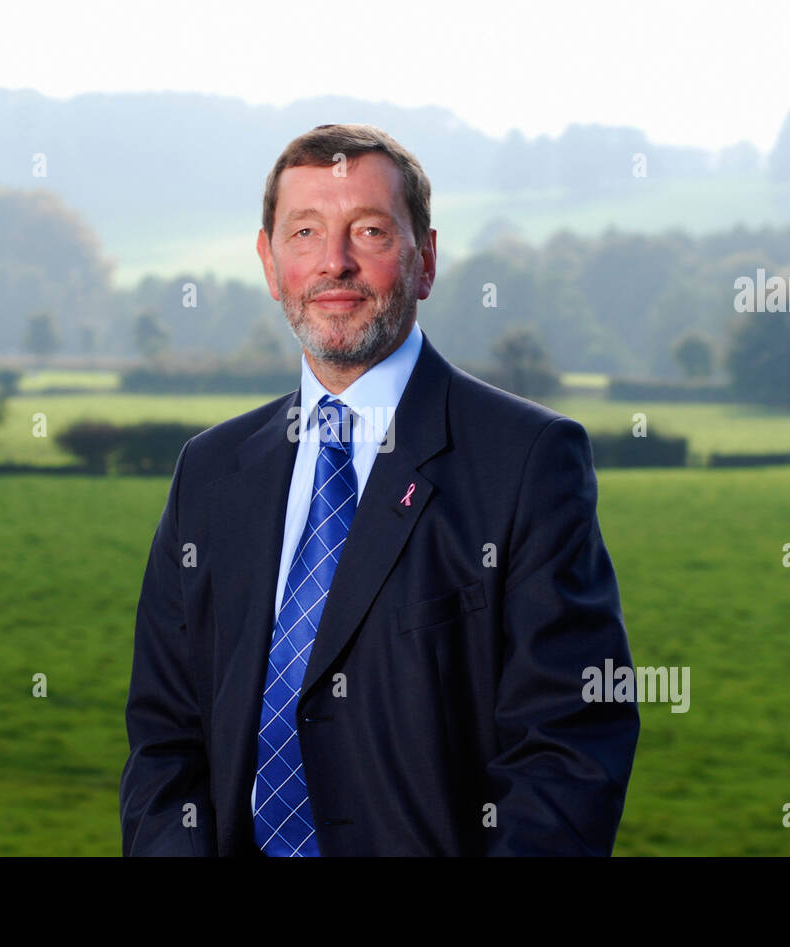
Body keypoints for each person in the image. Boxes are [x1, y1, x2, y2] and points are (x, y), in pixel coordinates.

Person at [119, 123, 638, 856]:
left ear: (424, 260)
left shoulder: (526, 461)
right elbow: (164, 741)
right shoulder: (209, 471)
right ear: (270, 263)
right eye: (304, 232)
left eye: (369, 232)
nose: (334, 263)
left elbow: (571, 744)